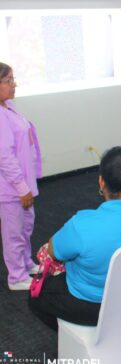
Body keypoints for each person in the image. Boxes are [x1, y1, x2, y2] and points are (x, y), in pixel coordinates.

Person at [28, 147, 121, 330]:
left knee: (37, 296)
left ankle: (76, 337)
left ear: (101, 182)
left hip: (97, 307)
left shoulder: (83, 225)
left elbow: (52, 251)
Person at [0, 62, 42, 291]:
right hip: (10, 189)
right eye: (8, 81)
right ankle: (16, 277)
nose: (13, 85)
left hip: (24, 184)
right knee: (14, 233)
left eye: (13, 79)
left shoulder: (8, 107)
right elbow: (4, 156)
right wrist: (21, 187)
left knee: (26, 227)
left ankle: (25, 264)